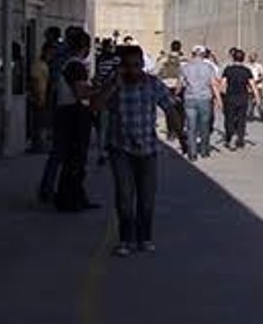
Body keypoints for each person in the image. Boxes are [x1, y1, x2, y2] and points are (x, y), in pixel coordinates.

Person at [92, 46, 182, 257]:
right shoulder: (114, 84)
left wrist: (182, 135)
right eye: (128, 66)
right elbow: (95, 106)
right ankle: (125, 239)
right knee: (124, 197)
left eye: (137, 65)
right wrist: (113, 85)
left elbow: (170, 108)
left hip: (147, 149)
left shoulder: (153, 84)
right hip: (120, 148)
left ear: (142, 64)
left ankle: (145, 238)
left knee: (146, 198)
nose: (133, 70)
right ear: (121, 66)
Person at [52, 29, 97, 211]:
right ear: (84, 47)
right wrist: (98, 91)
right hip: (74, 113)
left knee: (74, 158)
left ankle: (75, 196)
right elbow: (80, 92)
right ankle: (68, 198)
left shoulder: (70, 64)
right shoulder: (76, 66)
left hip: (69, 112)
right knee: (75, 159)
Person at [36, 26, 67, 201]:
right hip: (60, 103)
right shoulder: (64, 56)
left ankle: (52, 190)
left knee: (60, 154)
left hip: (58, 101)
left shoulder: (59, 55)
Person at [179, 46, 220, 161]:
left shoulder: (185, 67)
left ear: (192, 54)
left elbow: (180, 83)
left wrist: (176, 93)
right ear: (203, 55)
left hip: (190, 98)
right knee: (204, 125)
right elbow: (213, 84)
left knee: (191, 126)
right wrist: (219, 99)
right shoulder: (209, 67)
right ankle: (204, 150)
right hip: (205, 99)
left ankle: (192, 153)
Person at [220, 49, 257, 150]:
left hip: (230, 97)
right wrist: (257, 98)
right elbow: (253, 85)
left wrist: (221, 96)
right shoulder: (246, 71)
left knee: (229, 118)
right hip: (243, 98)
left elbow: (223, 84)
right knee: (241, 119)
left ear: (233, 58)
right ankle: (240, 138)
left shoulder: (228, 70)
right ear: (243, 59)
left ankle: (230, 136)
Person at [92, 39, 121, 166]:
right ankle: (111, 148)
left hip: (102, 94)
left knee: (103, 124)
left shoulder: (99, 60)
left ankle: (102, 151)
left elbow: (97, 78)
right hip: (114, 95)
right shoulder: (116, 61)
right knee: (114, 123)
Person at [28, 41, 53, 153]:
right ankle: (37, 144)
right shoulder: (38, 65)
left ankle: (40, 143)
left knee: (42, 121)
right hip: (39, 96)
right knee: (38, 122)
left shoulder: (45, 65)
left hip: (43, 96)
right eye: (50, 53)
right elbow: (34, 81)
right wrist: (37, 96)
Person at [247, 51, 263, 122]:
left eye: (253, 56)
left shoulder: (259, 66)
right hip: (249, 87)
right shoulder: (247, 66)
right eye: (250, 56)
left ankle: (262, 116)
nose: (251, 58)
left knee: (259, 102)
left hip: (258, 86)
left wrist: (259, 80)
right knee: (249, 102)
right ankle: (249, 115)